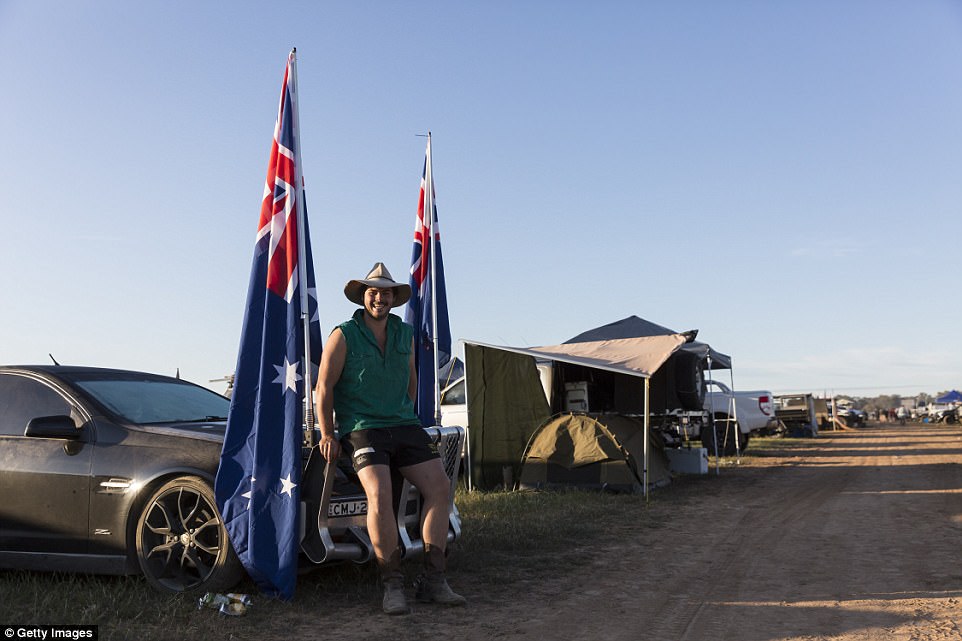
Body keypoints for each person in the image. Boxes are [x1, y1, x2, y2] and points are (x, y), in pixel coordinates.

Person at [315, 262, 465, 615]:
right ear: (363, 296)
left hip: (403, 424)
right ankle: (392, 584)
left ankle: (433, 581)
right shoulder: (344, 333)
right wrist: (326, 432)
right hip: (363, 427)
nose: (379, 298)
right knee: (380, 493)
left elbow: (411, 380)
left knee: (440, 488)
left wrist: (404, 412)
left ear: (394, 298)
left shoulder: (405, 333)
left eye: (385, 292)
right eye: (373, 292)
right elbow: (324, 386)